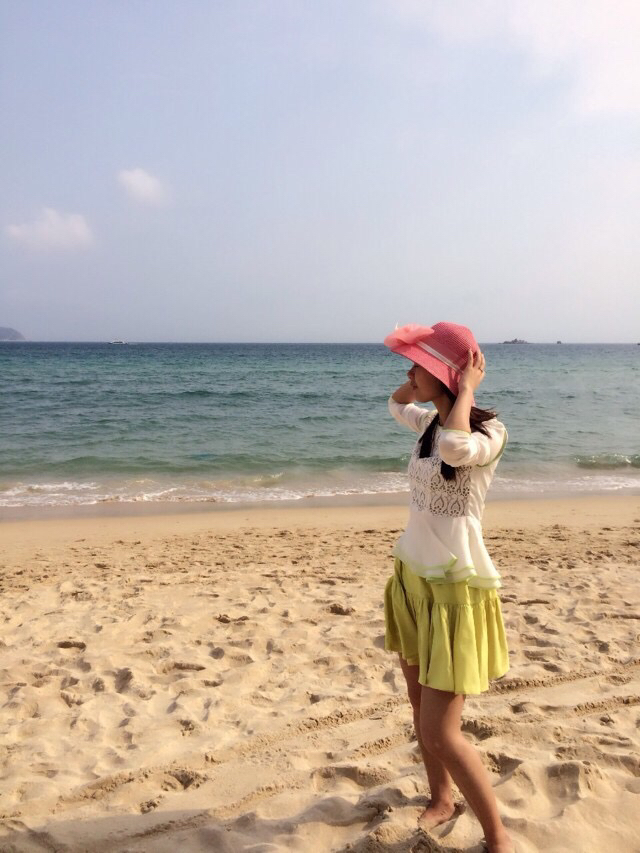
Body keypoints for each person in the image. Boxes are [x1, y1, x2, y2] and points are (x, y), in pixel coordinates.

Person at [383, 322, 514, 853]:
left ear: (444, 373)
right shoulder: (428, 423)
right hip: (414, 579)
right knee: (418, 706)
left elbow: (458, 449)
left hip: (456, 592)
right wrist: (423, 382)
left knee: (441, 731)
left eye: (419, 364)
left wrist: (465, 389)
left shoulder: (489, 434)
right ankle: (442, 799)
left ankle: (498, 836)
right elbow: (396, 402)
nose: (408, 372)